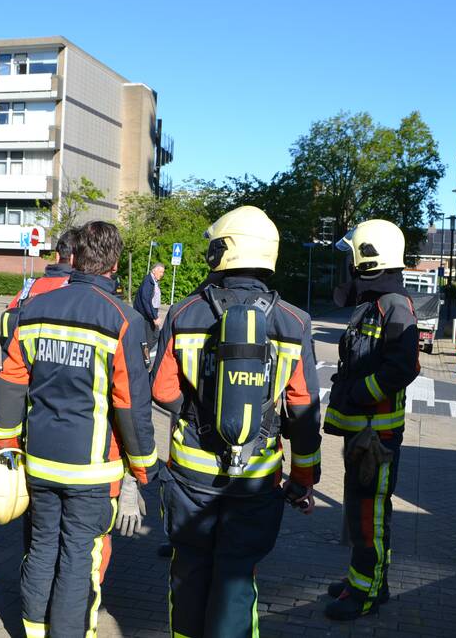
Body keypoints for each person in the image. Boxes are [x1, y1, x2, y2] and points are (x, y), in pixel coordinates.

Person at [151, 205, 321, 637]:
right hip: (256, 479)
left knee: (188, 573)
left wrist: (197, 413)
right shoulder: (294, 321)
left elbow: (162, 390)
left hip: (191, 476)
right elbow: (302, 409)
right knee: (237, 577)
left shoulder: (184, 313)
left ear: (221, 253)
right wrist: (303, 478)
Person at [0, 220, 159, 637]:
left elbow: (11, 380)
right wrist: (143, 469)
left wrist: (6, 445)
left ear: (75, 257)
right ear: (115, 263)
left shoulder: (35, 309)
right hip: (92, 471)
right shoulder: (123, 318)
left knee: (43, 547)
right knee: (78, 559)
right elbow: (130, 403)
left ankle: (33, 630)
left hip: (40, 463)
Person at [324, 218, 420, 621]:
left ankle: (365, 594)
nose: (347, 266)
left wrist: (360, 396)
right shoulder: (376, 304)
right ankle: (363, 580)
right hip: (363, 433)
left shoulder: (395, 306)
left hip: (376, 436)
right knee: (361, 511)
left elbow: (402, 367)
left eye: (352, 258)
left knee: (370, 514)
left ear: (368, 260)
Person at [1, 228, 76, 348]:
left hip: (21, 359)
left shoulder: (30, 286)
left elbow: (9, 317)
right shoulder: (77, 290)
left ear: (57, 256)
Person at [133, 261, 165, 346]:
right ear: (154, 270)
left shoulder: (153, 281)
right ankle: (143, 357)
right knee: (151, 338)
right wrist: (154, 317)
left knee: (152, 336)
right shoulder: (148, 281)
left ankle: (143, 356)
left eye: (163, 272)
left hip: (149, 314)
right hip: (147, 316)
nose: (162, 274)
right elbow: (146, 301)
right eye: (161, 271)